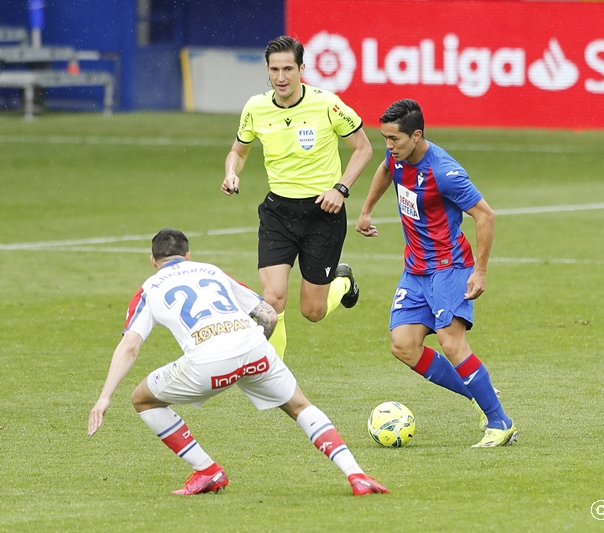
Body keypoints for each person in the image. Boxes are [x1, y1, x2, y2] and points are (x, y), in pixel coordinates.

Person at [87, 228, 388, 496]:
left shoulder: (149, 288)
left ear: (153, 262)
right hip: (254, 347)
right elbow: (268, 314)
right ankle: (357, 475)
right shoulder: (211, 271)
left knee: (143, 399)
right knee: (300, 406)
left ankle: (208, 471)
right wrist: (249, 355)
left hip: (206, 364)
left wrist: (104, 398)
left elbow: (130, 346)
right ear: (188, 255)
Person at [355, 100, 518, 448]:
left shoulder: (444, 172)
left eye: (394, 139)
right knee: (404, 345)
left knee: (451, 342)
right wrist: (366, 210)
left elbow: (485, 215)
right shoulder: (398, 156)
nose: (389, 146)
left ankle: (499, 421)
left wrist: (481, 272)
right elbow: (385, 169)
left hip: (450, 267)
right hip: (415, 270)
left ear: (417, 135)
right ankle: (479, 393)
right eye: (384, 138)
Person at [220, 35, 373, 359]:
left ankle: (343, 281)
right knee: (273, 299)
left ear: (302, 68)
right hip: (278, 212)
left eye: (288, 68)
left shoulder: (327, 104)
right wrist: (232, 172)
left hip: (323, 213)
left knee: (312, 311)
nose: (281, 77)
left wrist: (340, 188)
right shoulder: (255, 108)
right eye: (274, 69)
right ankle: (273, 375)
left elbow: (363, 148)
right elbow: (239, 150)